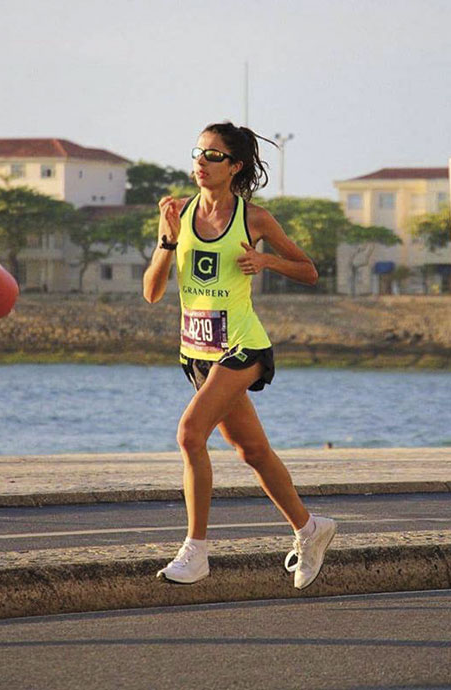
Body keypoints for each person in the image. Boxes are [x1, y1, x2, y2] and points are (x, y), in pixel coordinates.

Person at [143, 121, 336, 588]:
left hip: (242, 345)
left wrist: (266, 261)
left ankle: (197, 551)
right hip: (198, 352)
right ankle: (310, 529)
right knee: (251, 450)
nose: (201, 163)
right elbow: (152, 292)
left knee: (190, 434)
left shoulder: (255, 219)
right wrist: (167, 240)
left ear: (235, 166)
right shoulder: (179, 215)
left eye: (212, 156)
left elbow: (309, 271)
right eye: (197, 153)